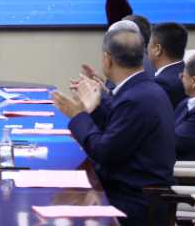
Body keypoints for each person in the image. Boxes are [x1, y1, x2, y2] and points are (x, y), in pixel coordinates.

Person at [52, 27, 175, 225]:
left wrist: (78, 115)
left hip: (135, 202)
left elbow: (103, 152)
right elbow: (117, 128)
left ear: (107, 59)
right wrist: (95, 105)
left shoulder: (136, 98)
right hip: (127, 190)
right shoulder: (143, 89)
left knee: (58, 208)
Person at [148, 22, 188, 109]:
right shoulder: (188, 74)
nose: (147, 48)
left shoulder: (162, 83)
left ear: (158, 49)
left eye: (149, 43)